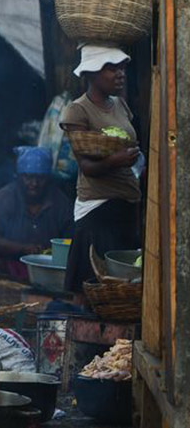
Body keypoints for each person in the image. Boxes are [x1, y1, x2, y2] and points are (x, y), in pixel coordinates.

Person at [60, 46, 142, 303]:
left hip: (126, 206)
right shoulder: (78, 110)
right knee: (89, 287)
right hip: (98, 210)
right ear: (92, 73)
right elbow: (87, 167)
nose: (120, 74)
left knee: (121, 290)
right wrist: (117, 160)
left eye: (122, 68)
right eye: (111, 68)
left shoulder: (119, 104)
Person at [0, 147, 74, 283]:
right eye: (28, 177)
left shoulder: (60, 203)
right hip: (5, 271)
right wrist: (23, 249)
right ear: (19, 176)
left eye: (40, 178)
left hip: (48, 274)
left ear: (48, 179)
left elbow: (71, 241)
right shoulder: (5, 198)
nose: (34, 184)